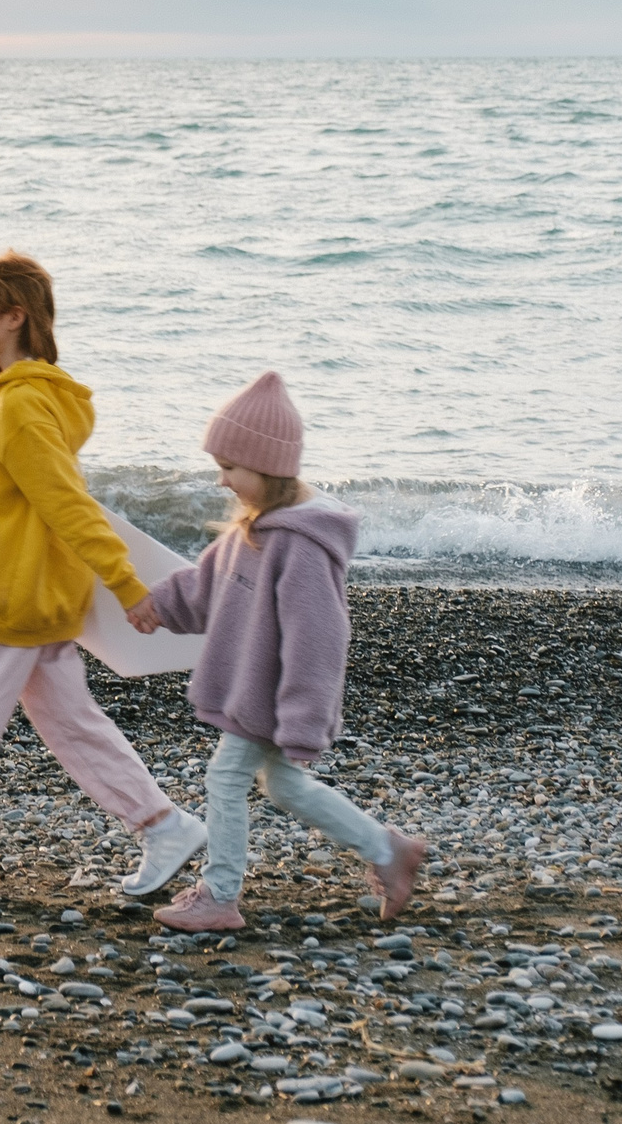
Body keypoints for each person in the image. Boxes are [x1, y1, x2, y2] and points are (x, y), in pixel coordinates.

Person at [0, 251, 209, 895]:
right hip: (39, 595)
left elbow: (69, 504)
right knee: (72, 722)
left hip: (12, 598)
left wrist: (129, 585)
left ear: (14, 317)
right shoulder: (25, 393)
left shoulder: (21, 408)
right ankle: (163, 826)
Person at [126, 371, 427, 929]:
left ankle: (219, 895)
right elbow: (206, 586)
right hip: (252, 691)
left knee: (225, 779)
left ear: (268, 468)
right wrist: (160, 606)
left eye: (231, 468)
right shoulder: (251, 531)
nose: (222, 480)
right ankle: (388, 851)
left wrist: (304, 719)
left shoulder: (299, 546)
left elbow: (320, 637)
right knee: (284, 785)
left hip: (271, 698)